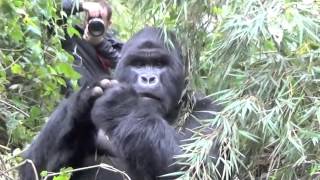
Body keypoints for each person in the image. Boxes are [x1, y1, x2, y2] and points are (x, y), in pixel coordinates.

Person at [61, 0, 123, 95]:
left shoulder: (114, 45)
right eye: (91, 18)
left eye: (100, 19)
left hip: (102, 101)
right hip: (75, 100)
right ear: (85, 19)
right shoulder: (72, 35)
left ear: (109, 24)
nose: (95, 22)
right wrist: (82, 5)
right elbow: (55, 10)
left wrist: (100, 43)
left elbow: (124, 65)